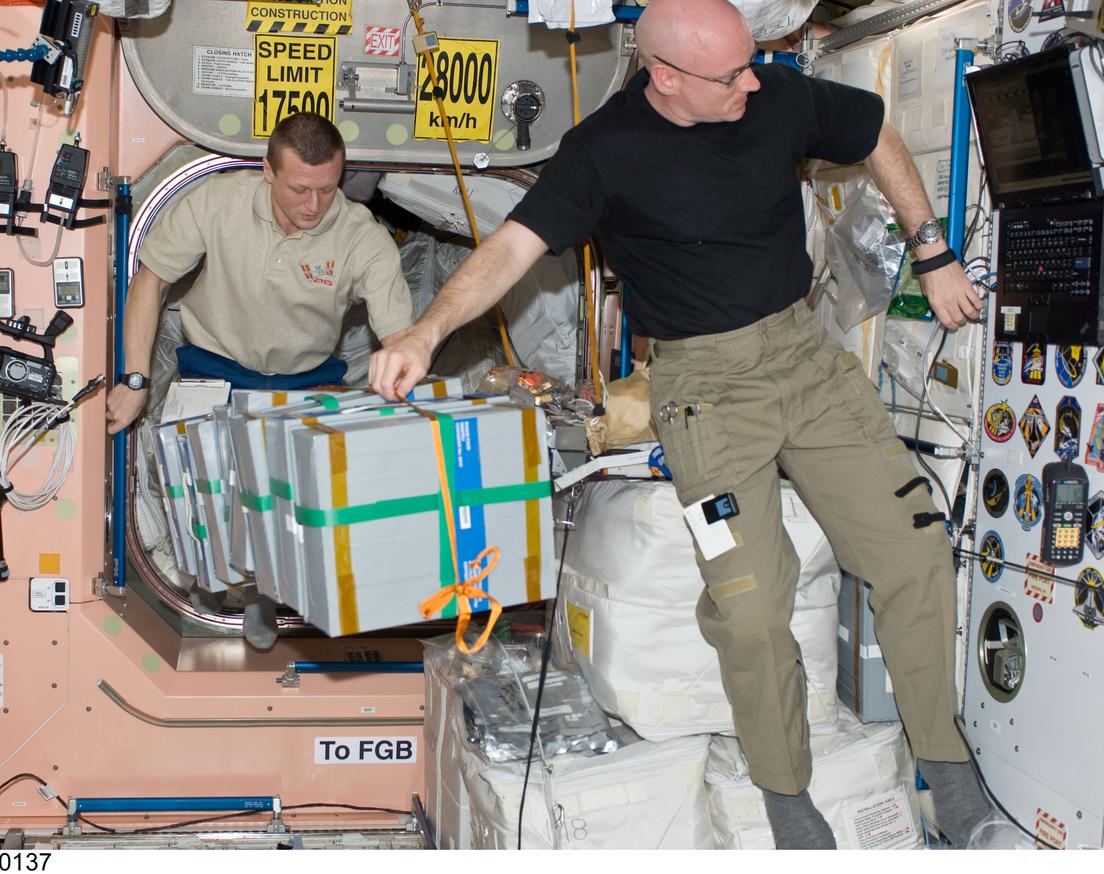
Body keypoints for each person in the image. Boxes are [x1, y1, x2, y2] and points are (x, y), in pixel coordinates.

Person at [371, 0, 995, 850]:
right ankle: (785, 792)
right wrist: (425, 330)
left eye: (751, 63)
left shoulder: (774, 94)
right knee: (748, 608)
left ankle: (948, 770)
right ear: (664, 76)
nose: (751, 82)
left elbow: (875, 127)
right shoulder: (602, 152)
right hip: (704, 392)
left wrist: (930, 244)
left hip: (806, 362)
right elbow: (511, 250)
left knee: (914, 551)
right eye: (729, 74)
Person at [106, 112, 414, 435]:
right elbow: (151, 280)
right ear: (268, 171)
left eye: (327, 189)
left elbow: (399, 336)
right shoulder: (218, 201)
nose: (314, 205)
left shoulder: (363, 237)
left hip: (309, 380)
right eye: (300, 189)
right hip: (213, 371)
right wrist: (135, 381)